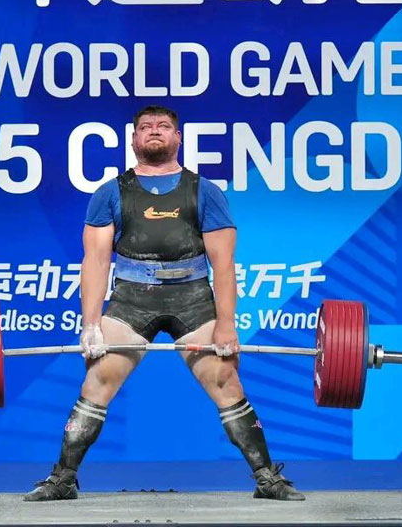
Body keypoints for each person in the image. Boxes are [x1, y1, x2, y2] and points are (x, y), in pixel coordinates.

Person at [23, 105, 304, 502]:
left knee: (226, 379)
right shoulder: (110, 193)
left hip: (192, 299)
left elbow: (223, 264)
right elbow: (96, 262)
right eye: (145, 127)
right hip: (132, 300)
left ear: (178, 138)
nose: (154, 131)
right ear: (134, 140)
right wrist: (91, 325)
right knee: (97, 379)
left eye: (164, 126)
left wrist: (226, 324)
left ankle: (266, 478)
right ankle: (63, 479)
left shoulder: (205, 192)